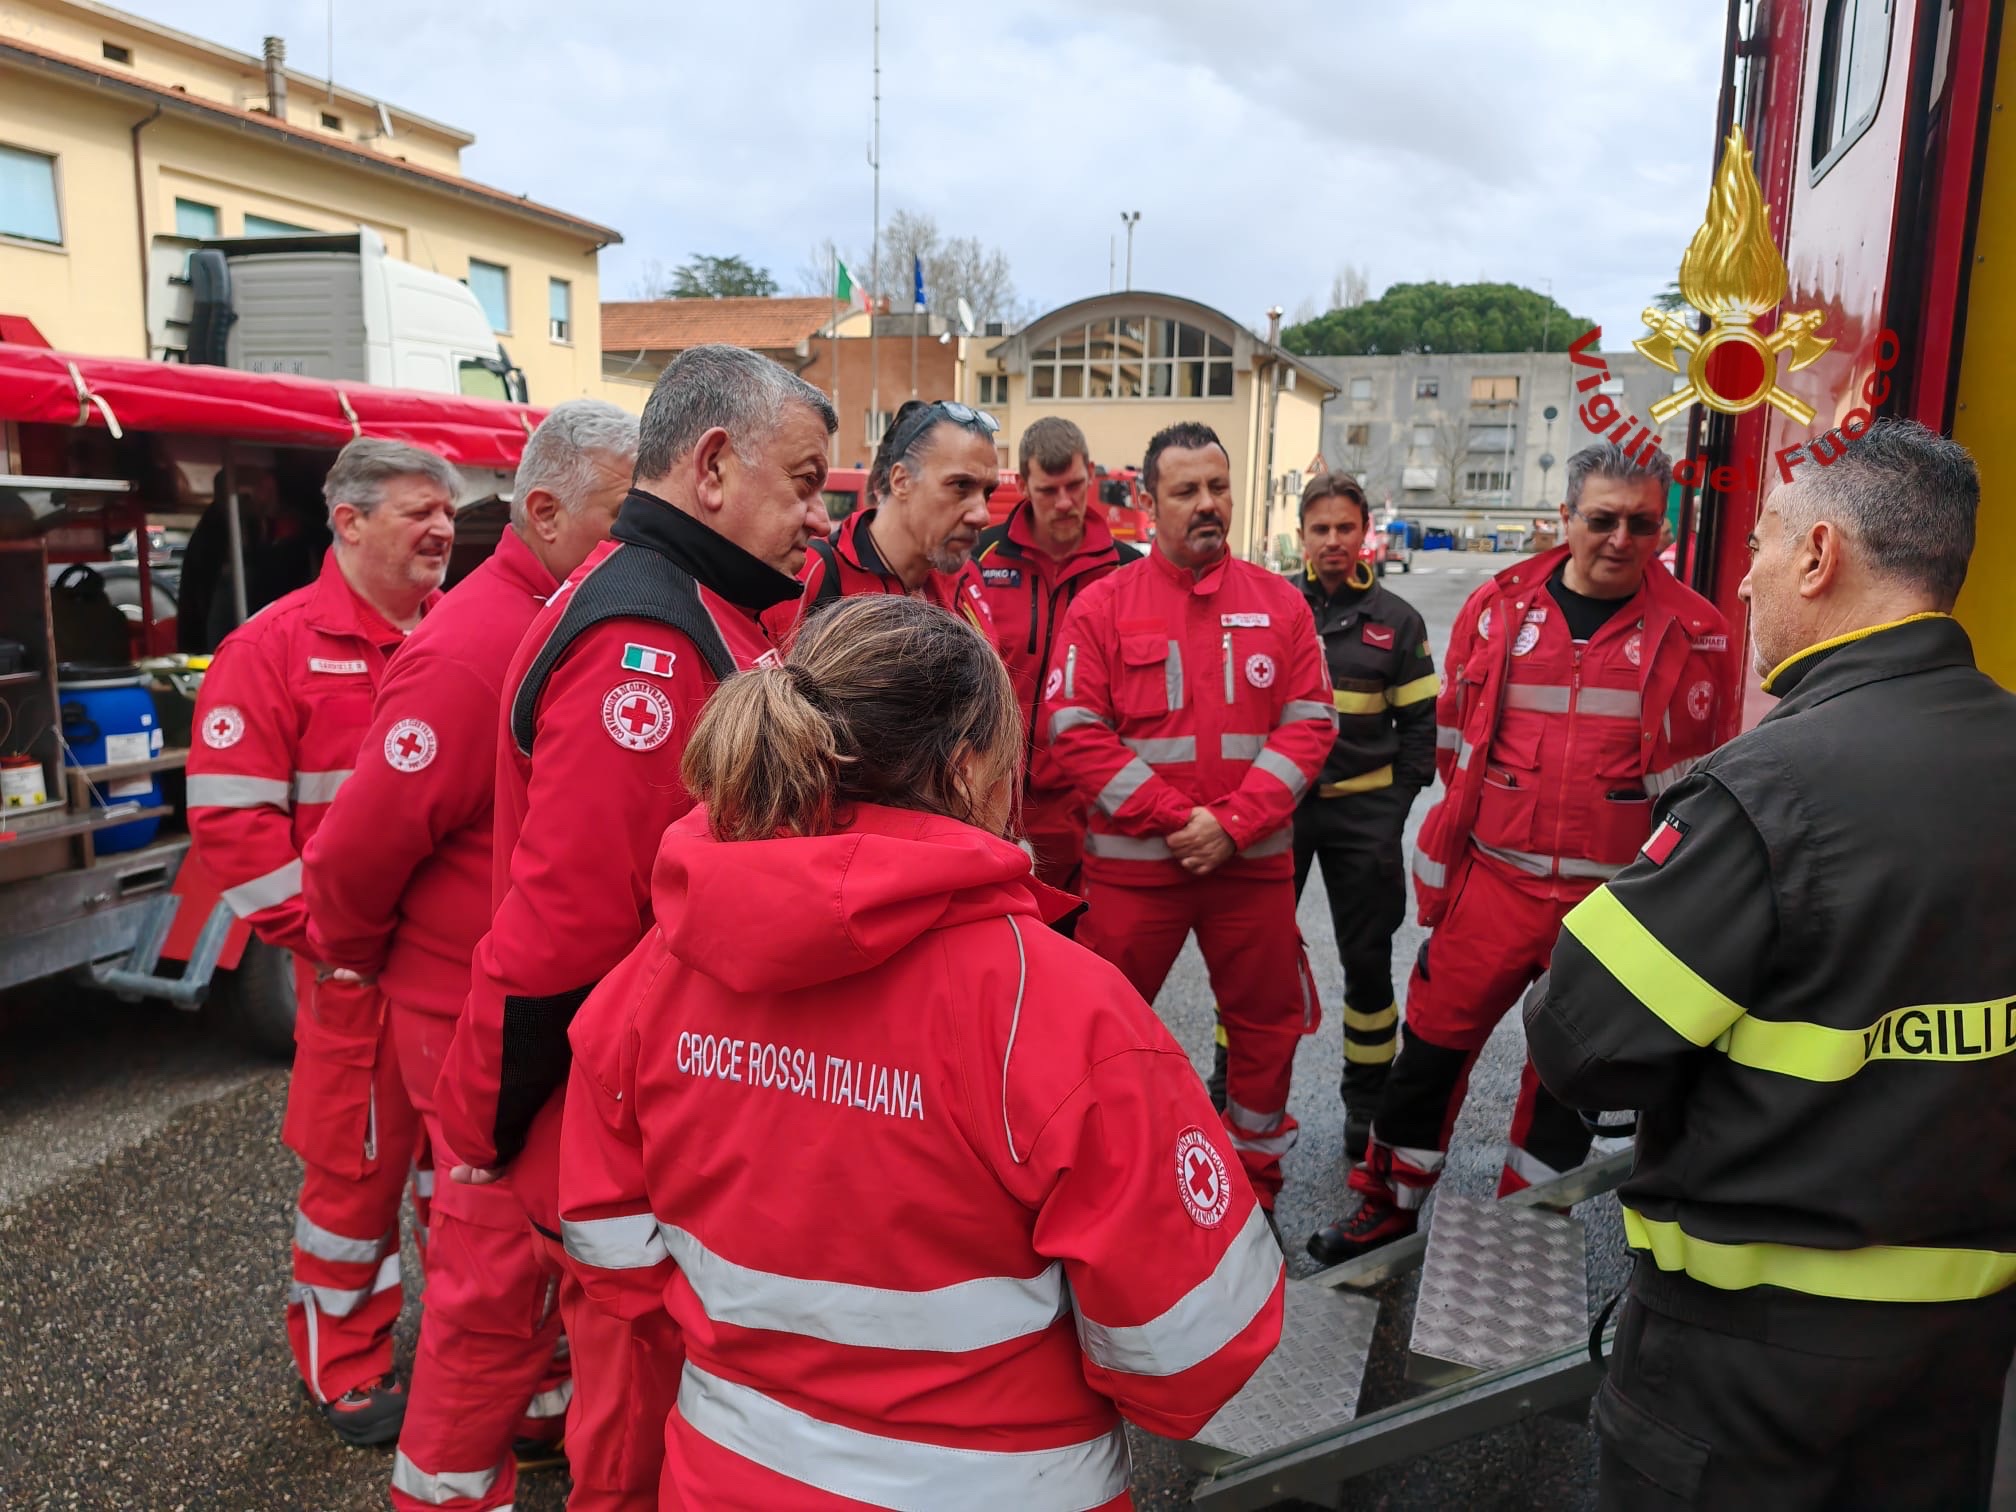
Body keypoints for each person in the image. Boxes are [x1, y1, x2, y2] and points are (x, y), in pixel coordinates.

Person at [557, 595, 1284, 1509]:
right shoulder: (1057, 1008)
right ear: (967, 768)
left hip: (729, 1474)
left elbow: (613, 1255)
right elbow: (1192, 1352)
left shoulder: (662, 967)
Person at [1528, 420, 2016, 1510]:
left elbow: (1582, 1041)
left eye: (1759, 543)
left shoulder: (1770, 790)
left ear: (1821, 556)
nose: (1743, 581)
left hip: (1748, 1378)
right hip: (1959, 1361)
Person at [435, 346, 835, 1512]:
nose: (819, 516)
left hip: (660, 1105)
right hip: (624, 1121)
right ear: (712, 466)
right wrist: (488, 1120)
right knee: (639, 1434)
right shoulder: (645, 640)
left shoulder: (699, 606)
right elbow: (568, 923)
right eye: (805, 482)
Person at [303, 401, 637, 1510]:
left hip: (524, 1009)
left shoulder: (561, 619)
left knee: (529, 1243)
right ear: (542, 511)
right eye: (621, 514)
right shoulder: (473, 648)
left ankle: (534, 1418)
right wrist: (354, 961)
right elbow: (357, 852)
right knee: (483, 1269)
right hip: (463, 1018)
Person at [1308, 441, 1737, 1263]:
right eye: (1602, 520)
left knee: (1569, 1081)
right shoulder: (1499, 608)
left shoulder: (1699, 632)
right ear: (1565, 519)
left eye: (1642, 523)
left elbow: (1697, 787)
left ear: (1663, 528)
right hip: (1495, 885)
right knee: (1429, 1054)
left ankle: (1529, 1225)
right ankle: (1387, 1202)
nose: (1621, 539)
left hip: (1614, 908)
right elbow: (1451, 745)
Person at [186, 437, 458, 1442]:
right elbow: (230, 819)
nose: (442, 529)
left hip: (456, 972)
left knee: (464, 1171)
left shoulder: (459, 634)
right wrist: (326, 937)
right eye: (419, 512)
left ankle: (477, 1354)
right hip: (357, 979)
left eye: (446, 511)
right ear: (348, 520)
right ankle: (342, 1367)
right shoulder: (272, 648)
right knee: (354, 1180)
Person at [1041, 421, 1335, 1213]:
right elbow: (1072, 730)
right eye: (1186, 492)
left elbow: (1310, 723)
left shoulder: (1281, 604)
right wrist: (1182, 820)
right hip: (1136, 878)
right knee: (1100, 1035)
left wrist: (1234, 824)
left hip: (1250, 872)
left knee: (1268, 1031)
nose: (1208, 505)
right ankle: (1107, 1190)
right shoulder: (1103, 606)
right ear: (1147, 500)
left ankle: (1254, 1190)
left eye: (1218, 488)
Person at [1206, 472, 1436, 1160]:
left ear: (1365, 531)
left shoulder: (1399, 622)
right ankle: (1227, 1087)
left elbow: (1421, 733)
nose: (1333, 541)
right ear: (1302, 535)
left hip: (1364, 815)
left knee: (1368, 968)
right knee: (1252, 961)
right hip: (1279, 814)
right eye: (1320, 529)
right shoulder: (1272, 609)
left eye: (1345, 528)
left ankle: (1366, 1106)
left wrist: (1389, 813)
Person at [972, 416, 1142, 901]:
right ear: (1022, 484)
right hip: (990, 803)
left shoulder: (1130, 571)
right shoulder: (981, 560)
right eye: (1048, 490)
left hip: (1091, 813)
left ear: (1091, 473)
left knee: (1085, 955)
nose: (1065, 502)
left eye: (1075, 485)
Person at [789, 398, 997, 636]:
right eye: (961, 485)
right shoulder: (809, 573)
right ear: (901, 481)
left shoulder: (966, 577)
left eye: (988, 492)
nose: (982, 515)